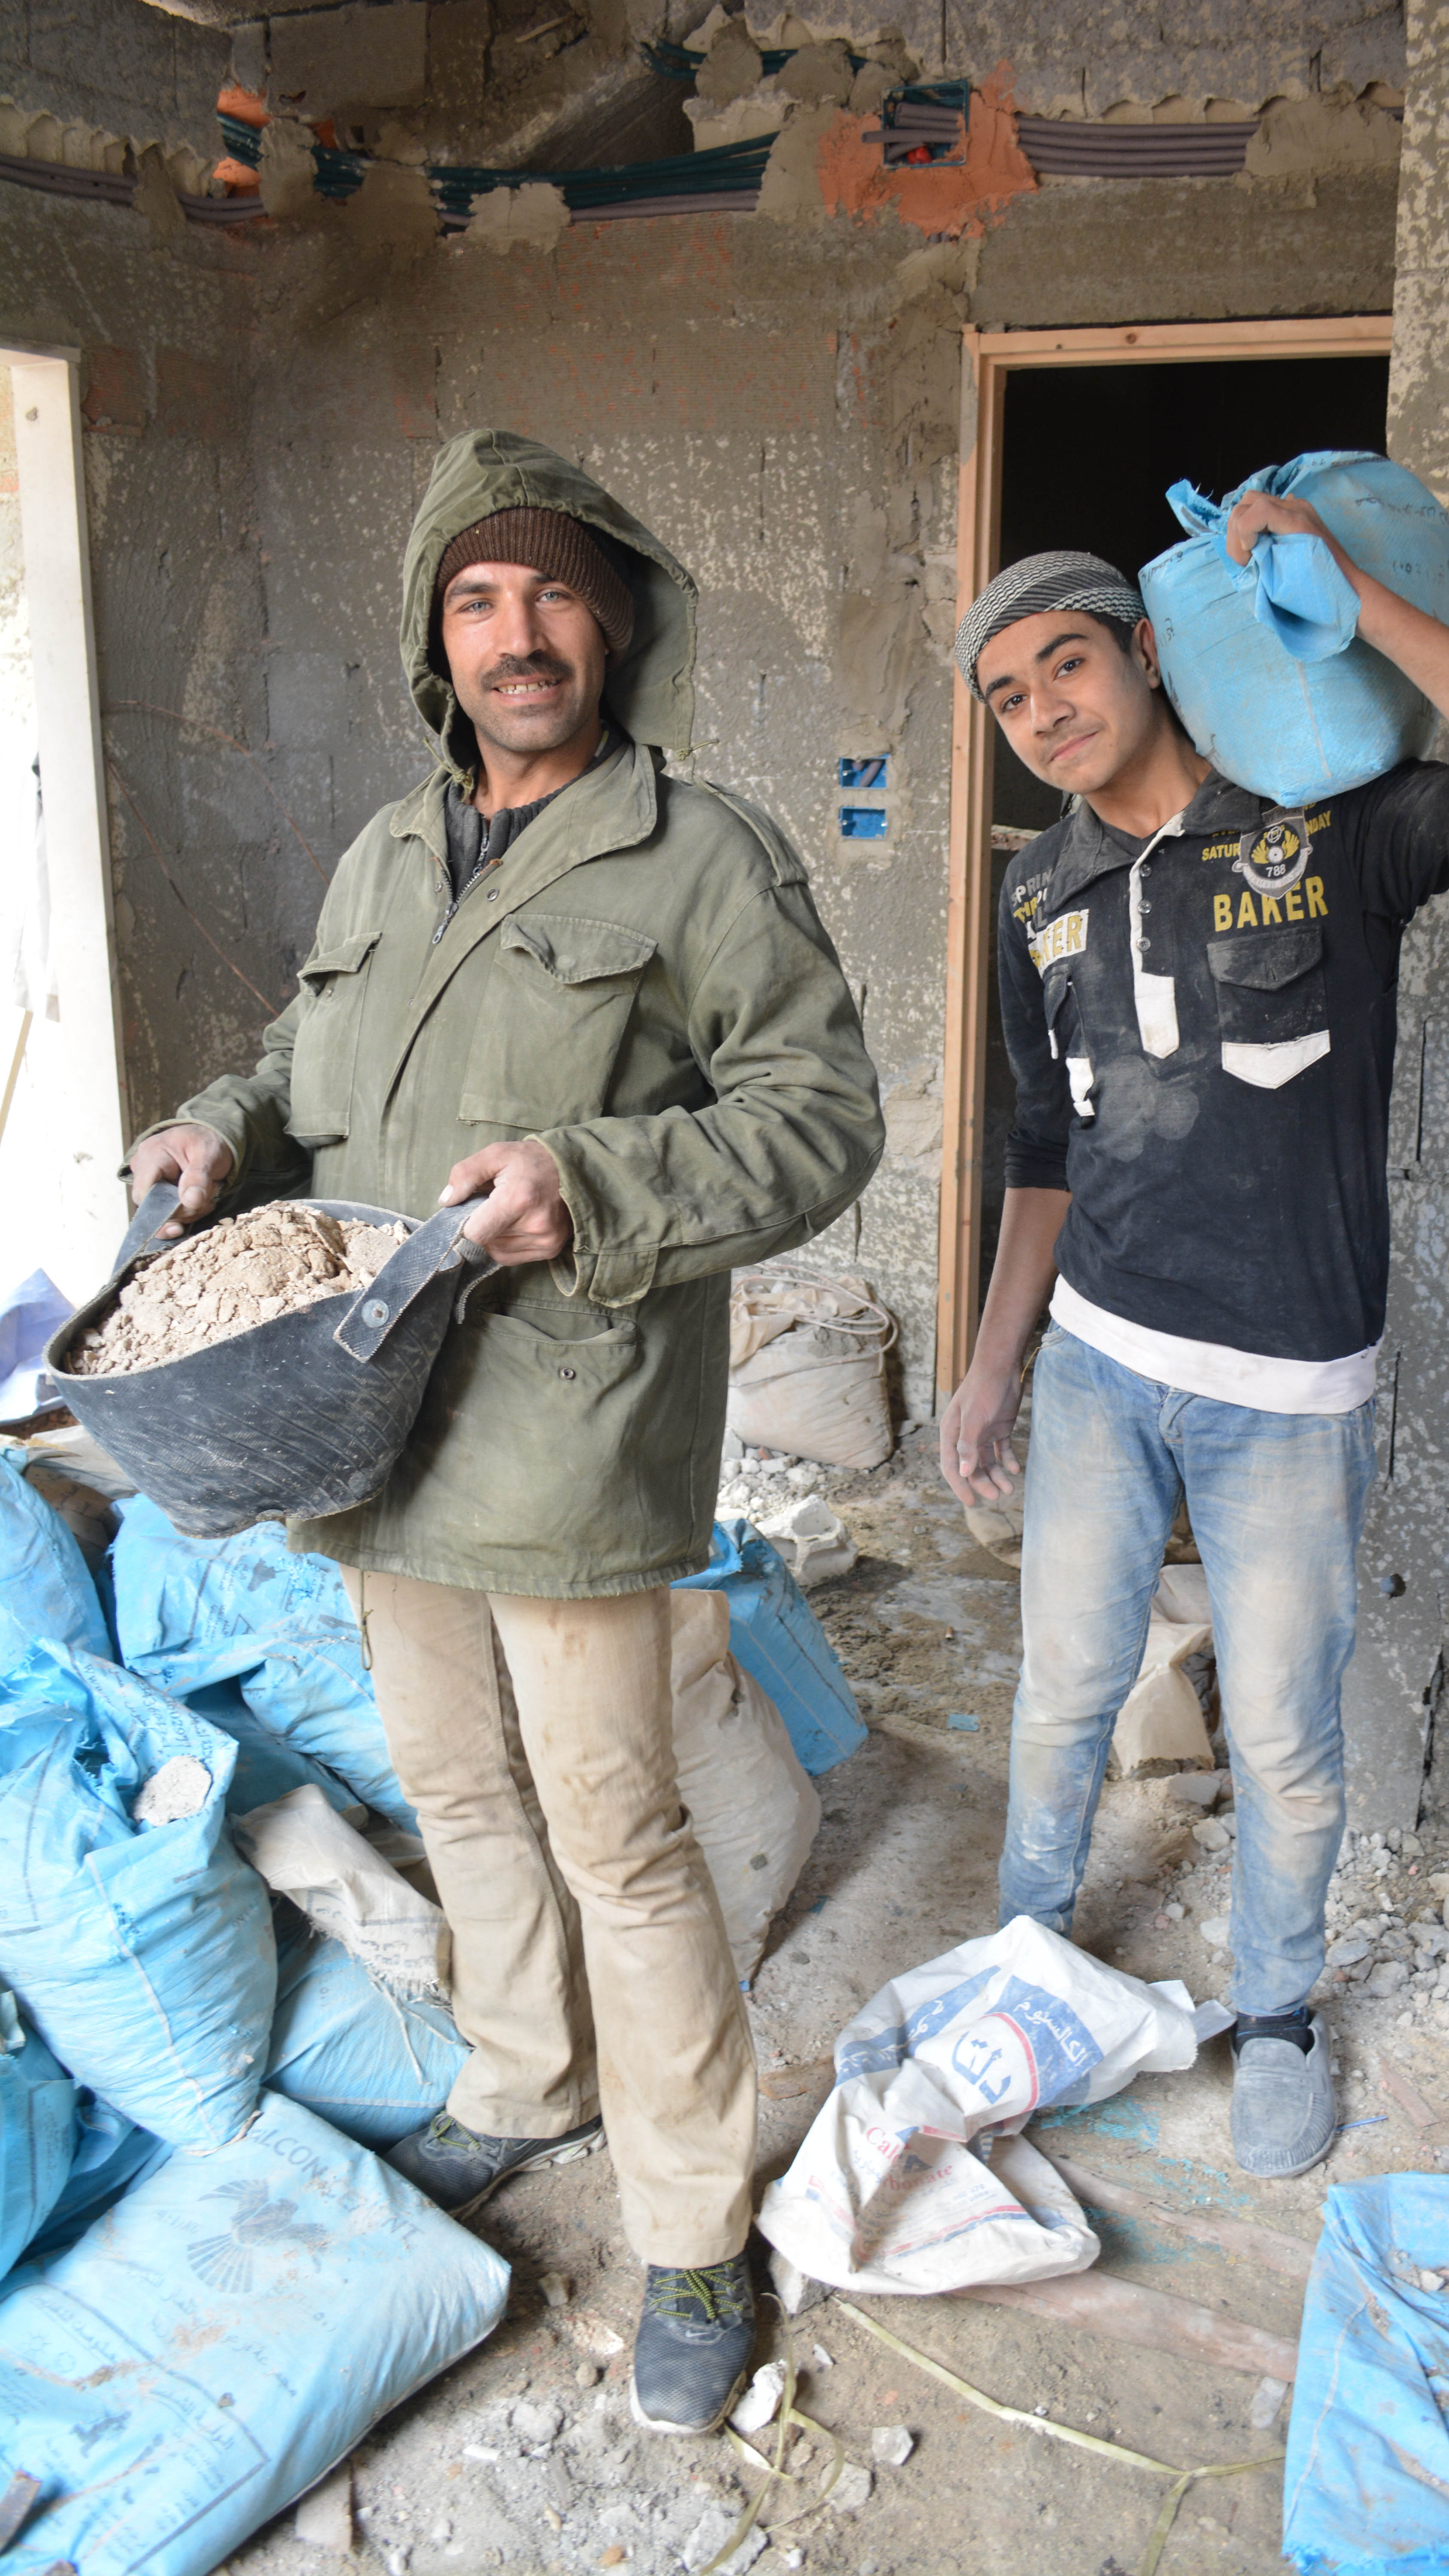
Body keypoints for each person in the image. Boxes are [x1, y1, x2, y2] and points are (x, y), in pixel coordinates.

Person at [128, 428, 884, 2432]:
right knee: (456, 1798)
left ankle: (699, 2229)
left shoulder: (696, 853)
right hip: (368, 1426)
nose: (519, 631)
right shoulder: (386, 850)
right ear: (433, 639)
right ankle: (523, 2082)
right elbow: (306, 1053)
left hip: (568, 1424)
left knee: (621, 1836)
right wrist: (218, 1119)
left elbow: (820, 1124)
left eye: (555, 592)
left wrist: (594, 1184)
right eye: (478, 597)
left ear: (617, 624)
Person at [939, 507, 1449, 2181]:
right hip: (1100, 1368)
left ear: (1146, 654)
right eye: (1008, 695)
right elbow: (1045, 1146)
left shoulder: (1321, 834)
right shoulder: (1037, 887)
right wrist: (986, 1365)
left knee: (1285, 1743)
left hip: (1285, 1402)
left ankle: (1281, 2019)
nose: (1044, 710)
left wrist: (1364, 608)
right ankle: (1023, 1974)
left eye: (1068, 664)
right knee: (1059, 1705)